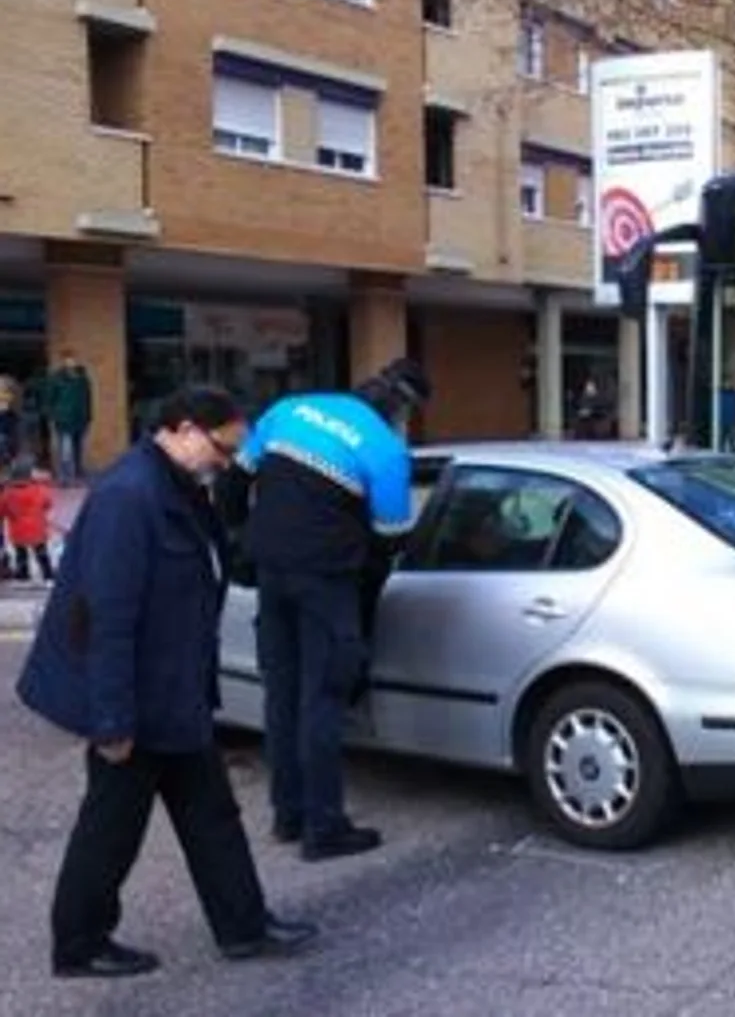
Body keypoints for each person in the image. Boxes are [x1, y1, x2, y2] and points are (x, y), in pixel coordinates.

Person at [13, 386, 317, 979]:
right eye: (222, 449)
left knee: (212, 816)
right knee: (111, 828)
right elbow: (107, 617)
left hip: (175, 692)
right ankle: (79, 945)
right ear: (181, 430)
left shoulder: (180, 490)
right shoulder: (131, 497)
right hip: (136, 701)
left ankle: (244, 928)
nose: (226, 463)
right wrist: (112, 721)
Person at [225, 359, 431, 862]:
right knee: (322, 699)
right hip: (325, 580)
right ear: (402, 411)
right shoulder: (385, 450)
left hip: (271, 572)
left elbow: (231, 485)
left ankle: (288, 816)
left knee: (283, 694)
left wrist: (244, 544)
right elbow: (390, 539)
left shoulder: (288, 410)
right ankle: (325, 828)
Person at [2, 458, 56, 583]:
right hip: (37, 529)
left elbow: (2, 510)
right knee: (41, 552)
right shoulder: (39, 489)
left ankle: (23, 573)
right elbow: (48, 503)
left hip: (18, 531)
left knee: (21, 554)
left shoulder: (9, 492)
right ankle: (47, 573)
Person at [45, 350, 92, 486]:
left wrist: (88, 415)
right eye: (68, 359)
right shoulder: (57, 378)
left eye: (73, 359)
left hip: (80, 418)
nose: (71, 362)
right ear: (63, 361)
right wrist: (54, 415)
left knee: (78, 449)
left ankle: (77, 475)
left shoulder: (83, 378)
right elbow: (50, 399)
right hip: (63, 419)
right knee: (66, 450)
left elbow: (87, 398)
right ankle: (65, 478)